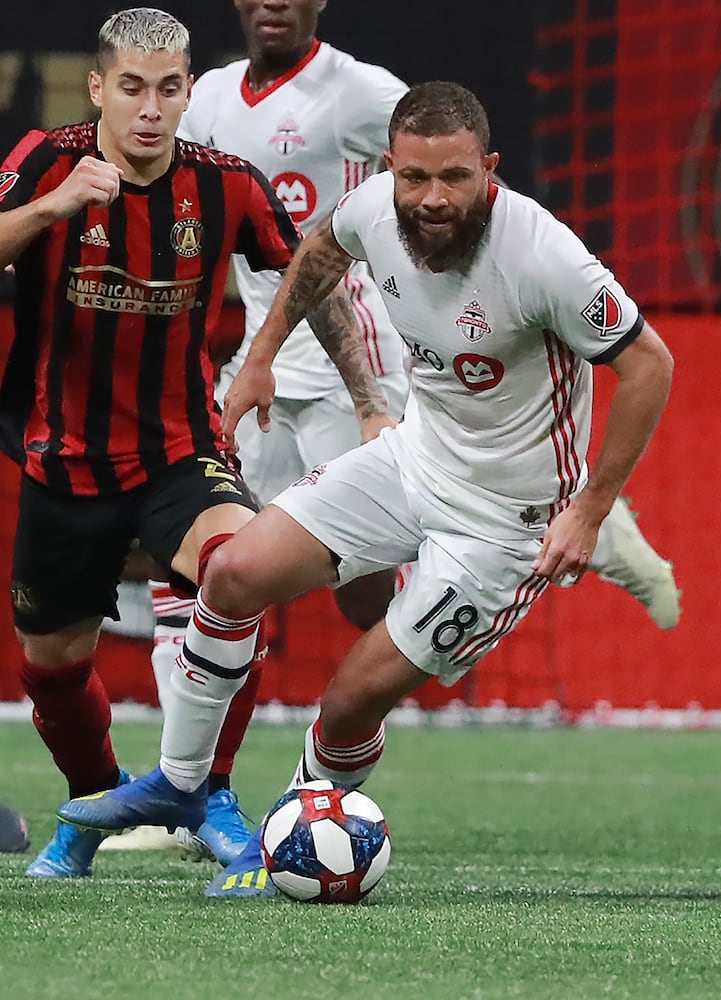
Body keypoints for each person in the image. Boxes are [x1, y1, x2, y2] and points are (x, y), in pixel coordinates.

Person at [58, 81, 676, 899]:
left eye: (455, 177)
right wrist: (266, 354)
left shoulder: (543, 255)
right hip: (413, 459)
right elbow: (319, 249)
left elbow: (649, 365)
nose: (432, 199)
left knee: (350, 698)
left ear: (489, 169)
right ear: (389, 167)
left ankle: (289, 840)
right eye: (415, 177)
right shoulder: (373, 208)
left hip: (506, 526)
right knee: (233, 572)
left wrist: (590, 509)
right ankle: (182, 782)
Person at [0, 8, 389, 879]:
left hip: (181, 451)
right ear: (98, 87)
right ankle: (101, 802)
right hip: (62, 460)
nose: (149, 108)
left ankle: (206, 789)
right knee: (52, 670)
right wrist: (54, 206)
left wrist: (367, 402)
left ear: (187, 93)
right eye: (131, 87)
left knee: (238, 572)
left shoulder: (225, 184)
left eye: (168, 88)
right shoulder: (46, 160)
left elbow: (313, 283)